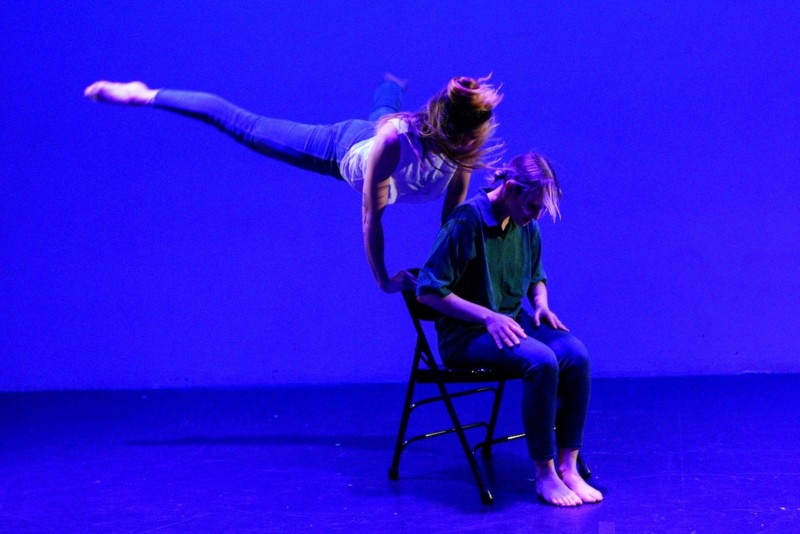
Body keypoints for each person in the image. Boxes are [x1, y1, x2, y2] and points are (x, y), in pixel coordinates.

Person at [84, 74, 502, 293]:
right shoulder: (395, 144)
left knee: (384, 113)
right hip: (344, 149)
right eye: (468, 139)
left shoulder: (463, 150)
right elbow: (371, 220)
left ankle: (390, 85)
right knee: (245, 126)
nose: (472, 146)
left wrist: (448, 273)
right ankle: (145, 94)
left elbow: (453, 221)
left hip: (387, 134)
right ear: (453, 131)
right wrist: (384, 279)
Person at [415, 152, 603, 507]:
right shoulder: (466, 222)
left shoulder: (525, 226)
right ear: (512, 188)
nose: (534, 216)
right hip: (466, 337)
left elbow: (536, 276)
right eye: (532, 206)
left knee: (575, 354)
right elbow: (427, 290)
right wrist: (487, 316)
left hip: (509, 325)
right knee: (541, 361)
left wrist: (542, 303)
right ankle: (545, 474)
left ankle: (568, 468)